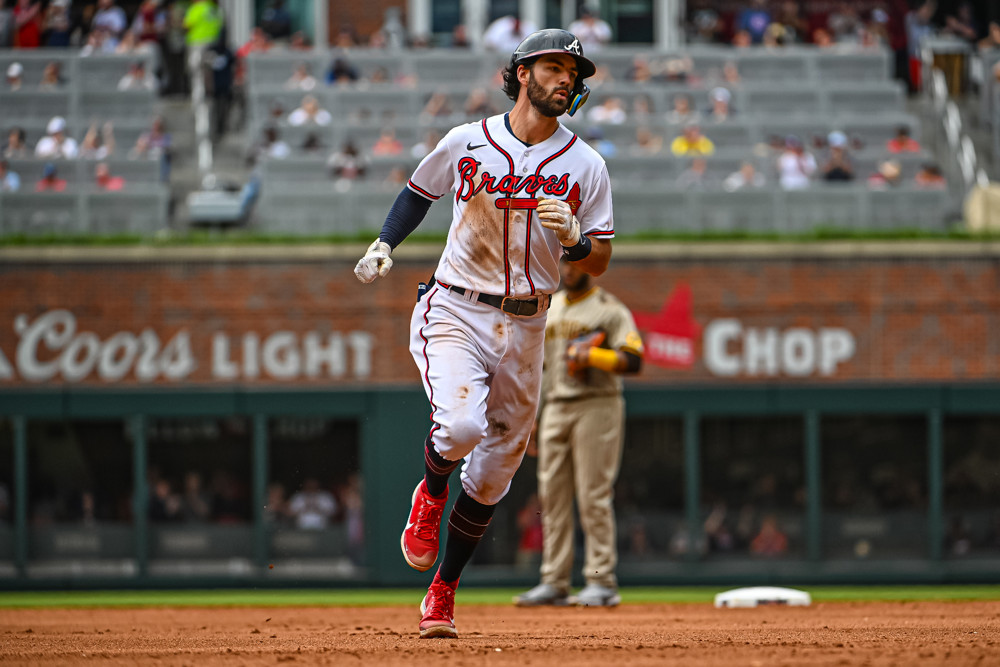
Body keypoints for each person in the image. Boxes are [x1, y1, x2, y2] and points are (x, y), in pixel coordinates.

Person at [354, 28, 611, 639]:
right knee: (463, 426)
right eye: (554, 67)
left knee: (495, 475)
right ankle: (432, 492)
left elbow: (598, 259)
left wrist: (575, 239)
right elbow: (418, 193)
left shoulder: (586, 164)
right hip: (457, 307)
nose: (566, 78)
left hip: (529, 321)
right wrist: (386, 241)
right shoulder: (469, 140)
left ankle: (442, 591)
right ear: (522, 72)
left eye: (573, 72)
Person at [514, 259, 643, 608]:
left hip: (596, 403)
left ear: (589, 266)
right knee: (551, 497)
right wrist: (533, 417)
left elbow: (634, 358)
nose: (566, 269)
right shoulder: (550, 306)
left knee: (593, 495)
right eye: (563, 263)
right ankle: (554, 581)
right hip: (555, 404)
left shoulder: (608, 309)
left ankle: (601, 580)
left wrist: (595, 356)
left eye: (573, 263)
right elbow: (535, 368)